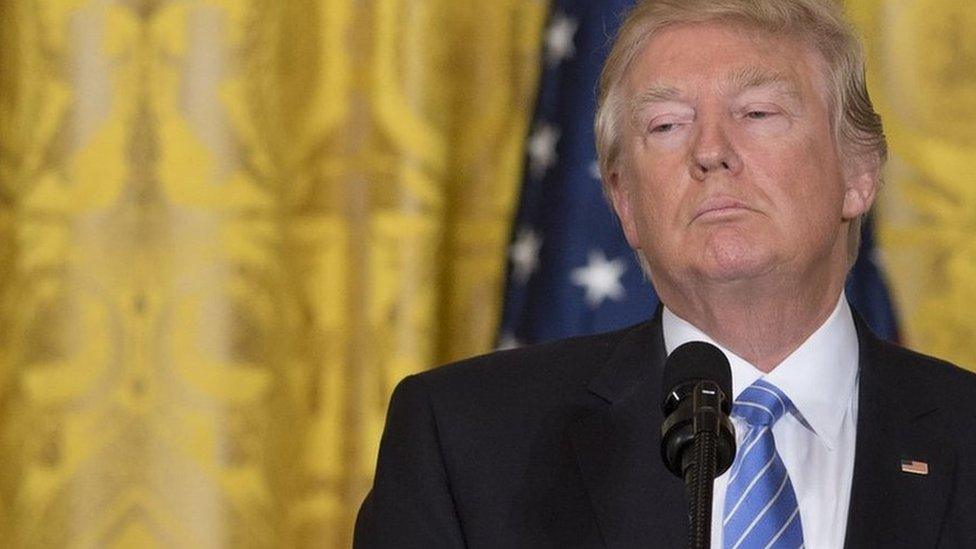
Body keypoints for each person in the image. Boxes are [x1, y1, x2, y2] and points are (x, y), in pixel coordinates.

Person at [354, 0, 976, 547]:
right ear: (624, 201)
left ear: (858, 174)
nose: (710, 151)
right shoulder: (466, 442)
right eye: (667, 125)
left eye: (757, 112)